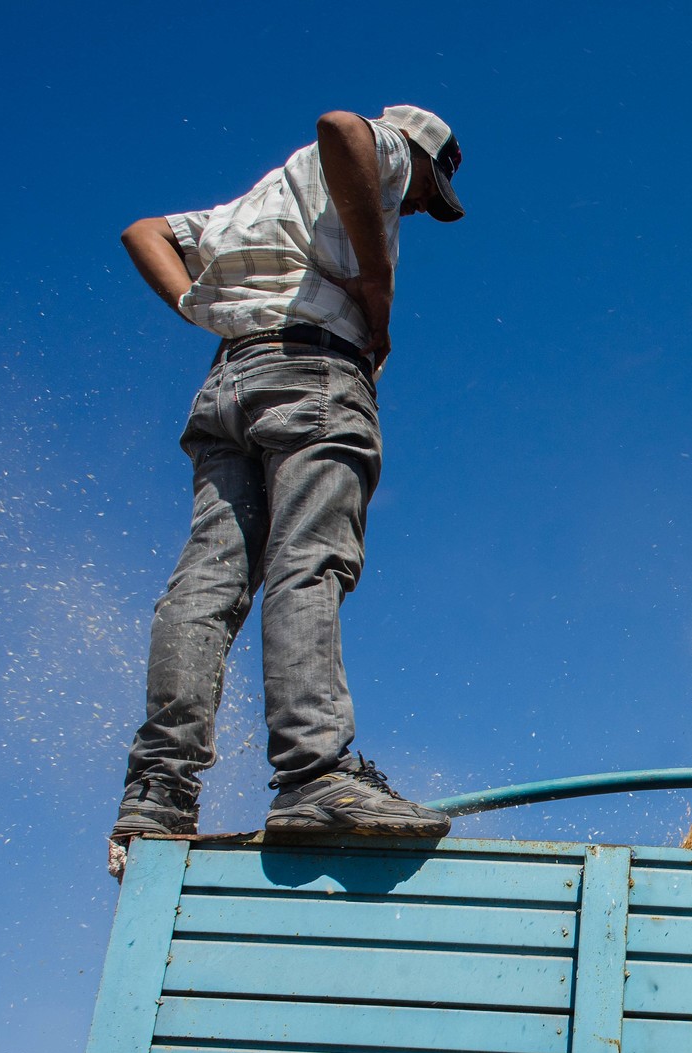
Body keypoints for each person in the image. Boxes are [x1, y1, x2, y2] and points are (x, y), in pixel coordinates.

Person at [108, 106, 463, 876]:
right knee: (310, 560)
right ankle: (314, 774)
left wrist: (207, 316)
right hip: (314, 371)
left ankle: (159, 791)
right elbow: (343, 128)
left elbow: (145, 232)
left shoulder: (260, 196)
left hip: (230, 381)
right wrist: (377, 287)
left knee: (206, 582)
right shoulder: (394, 152)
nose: (416, 207)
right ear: (428, 162)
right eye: (428, 196)